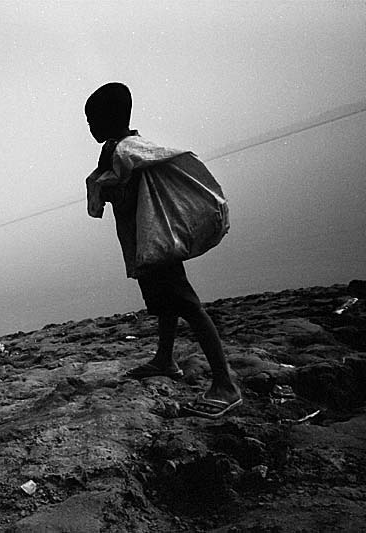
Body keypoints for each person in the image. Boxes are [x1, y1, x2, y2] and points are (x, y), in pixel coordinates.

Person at [84, 82, 241, 419]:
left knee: (188, 305)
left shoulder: (123, 151)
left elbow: (126, 194)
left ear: (108, 119)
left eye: (91, 120)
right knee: (165, 303)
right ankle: (165, 359)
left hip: (154, 238)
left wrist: (104, 186)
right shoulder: (125, 147)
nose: (89, 126)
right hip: (149, 239)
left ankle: (225, 384)